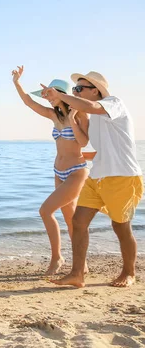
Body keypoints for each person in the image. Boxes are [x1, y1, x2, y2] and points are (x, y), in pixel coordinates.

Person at [47, 71, 143, 288]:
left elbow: (91, 107)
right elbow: (99, 147)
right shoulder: (91, 117)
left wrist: (61, 96)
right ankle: (77, 274)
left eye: (79, 89)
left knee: (120, 226)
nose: (76, 93)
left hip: (122, 176)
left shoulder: (113, 103)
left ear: (95, 90)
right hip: (97, 175)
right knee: (78, 222)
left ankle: (129, 273)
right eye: (74, 90)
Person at [11, 66, 90, 275]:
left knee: (45, 211)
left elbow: (83, 142)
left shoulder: (80, 114)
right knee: (70, 218)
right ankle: (81, 263)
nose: (49, 99)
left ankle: (57, 257)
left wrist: (72, 120)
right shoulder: (53, 115)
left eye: (52, 94)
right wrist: (17, 82)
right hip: (58, 172)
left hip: (76, 172)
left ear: (63, 95)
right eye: (47, 95)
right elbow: (29, 102)